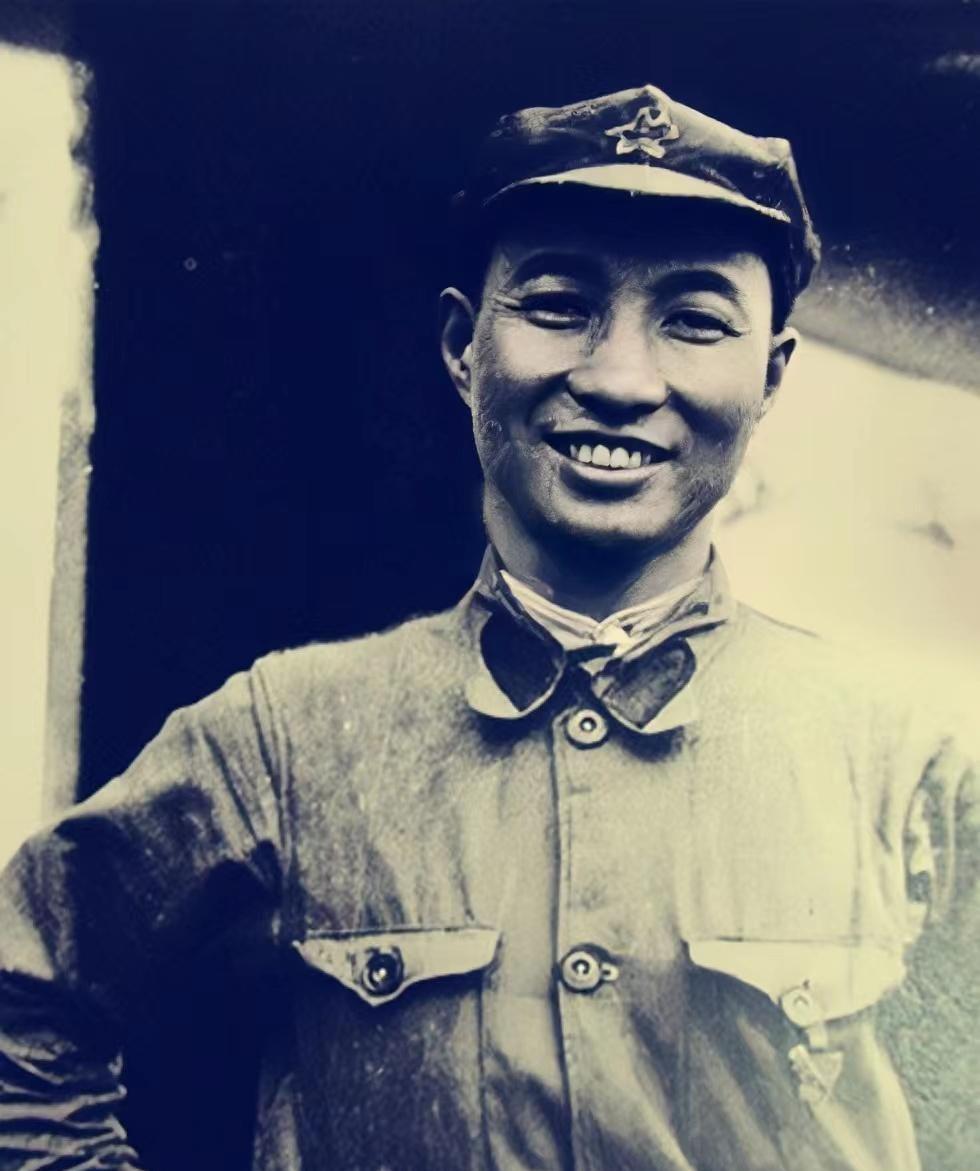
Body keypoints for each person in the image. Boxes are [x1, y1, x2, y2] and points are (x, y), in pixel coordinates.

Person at [0, 83, 975, 1171]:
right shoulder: (284, 737)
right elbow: (20, 1012)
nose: (619, 378)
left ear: (771, 375)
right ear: (464, 345)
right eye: (556, 304)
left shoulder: (906, 765)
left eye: (695, 321)